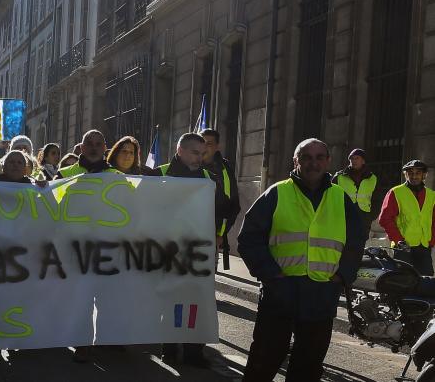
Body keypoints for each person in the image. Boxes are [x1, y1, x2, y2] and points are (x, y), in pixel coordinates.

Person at [239, 138, 367, 381]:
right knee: (263, 361)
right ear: (296, 161)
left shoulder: (341, 198)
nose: (313, 163)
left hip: (322, 292)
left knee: (308, 365)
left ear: (328, 161)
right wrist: (269, 272)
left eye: (320, 157)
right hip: (280, 291)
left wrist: (342, 276)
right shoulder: (277, 193)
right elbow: (249, 238)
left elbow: (355, 242)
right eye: (306, 157)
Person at [156, 133, 224, 367]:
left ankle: (194, 350)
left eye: (202, 153)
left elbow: (223, 209)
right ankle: (170, 348)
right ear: (180, 150)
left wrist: (218, 236)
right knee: (171, 300)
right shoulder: (159, 174)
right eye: (195, 152)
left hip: (197, 252)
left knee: (196, 300)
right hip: (166, 251)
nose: (200, 157)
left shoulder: (209, 178)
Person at [378, 160, 435, 276]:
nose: (414, 176)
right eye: (410, 173)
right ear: (405, 175)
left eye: (418, 173)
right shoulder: (396, 192)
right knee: (403, 282)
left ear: (424, 175)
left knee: (426, 281)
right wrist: (398, 239)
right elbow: (385, 219)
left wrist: (431, 241)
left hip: (424, 246)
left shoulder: (432, 195)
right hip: (403, 247)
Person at [200, 129, 242, 262]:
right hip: (186, 233)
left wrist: (221, 235)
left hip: (211, 238)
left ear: (217, 147)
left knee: (205, 281)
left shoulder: (225, 169)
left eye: (209, 144)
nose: (204, 147)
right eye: (202, 143)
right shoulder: (188, 163)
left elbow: (233, 206)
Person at [333, 148, 378, 233]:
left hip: (364, 217)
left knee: (361, 243)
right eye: (351, 159)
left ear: (363, 161)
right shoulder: (339, 176)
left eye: (357, 158)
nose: (354, 161)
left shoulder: (372, 178)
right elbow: (331, 197)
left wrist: (371, 216)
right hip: (344, 216)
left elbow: (377, 198)